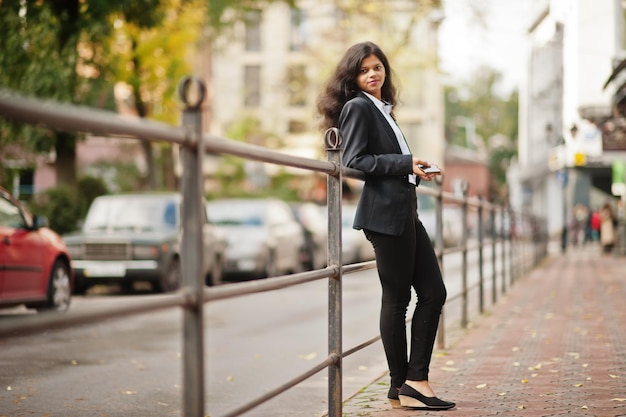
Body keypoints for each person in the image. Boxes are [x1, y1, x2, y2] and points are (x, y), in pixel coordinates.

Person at [317, 41, 455, 411]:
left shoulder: (382, 109)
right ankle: (407, 383)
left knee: (433, 292)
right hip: (385, 216)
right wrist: (403, 163)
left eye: (377, 67)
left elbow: (385, 159)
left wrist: (412, 168)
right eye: (364, 70)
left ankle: (409, 383)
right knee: (397, 300)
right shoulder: (358, 107)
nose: (373, 74)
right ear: (353, 77)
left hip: (402, 210)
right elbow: (357, 161)